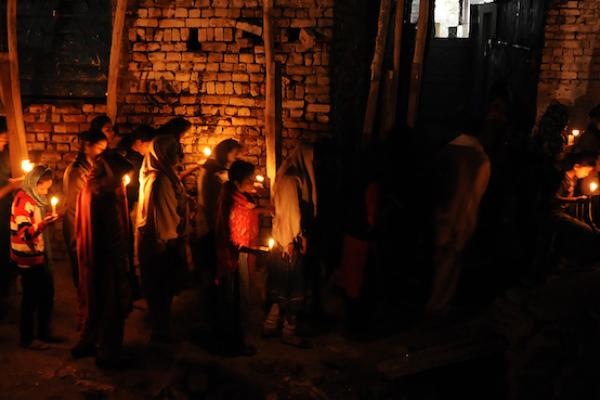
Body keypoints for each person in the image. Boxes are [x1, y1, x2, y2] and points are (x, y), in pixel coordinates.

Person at [72, 152, 134, 368]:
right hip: (106, 260)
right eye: (120, 175)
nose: (121, 180)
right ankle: (108, 355)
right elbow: (115, 236)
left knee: (93, 300)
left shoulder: (89, 188)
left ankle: (87, 342)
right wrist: (123, 268)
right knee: (112, 306)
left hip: (89, 256)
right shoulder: (106, 197)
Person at [426, 122, 491, 315]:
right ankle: (438, 305)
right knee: (449, 265)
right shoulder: (481, 159)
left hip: (441, 216)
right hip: (463, 219)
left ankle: (431, 303)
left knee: (436, 262)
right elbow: (479, 192)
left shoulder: (445, 154)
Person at [263, 143, 317, 347]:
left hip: (282, 241)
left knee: (280, 286)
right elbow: (291, 212)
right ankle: (288, 330)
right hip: (288, 243)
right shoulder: (291, 179)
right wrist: (294, 239)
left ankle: (270, 325)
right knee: (292, 287)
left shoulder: (287, 175)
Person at [136, 135, 188, 342]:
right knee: (161, 290)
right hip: (163, 245)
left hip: (157, 243)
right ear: (164, 154)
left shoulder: (157, 175)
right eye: (175, 151)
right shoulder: (161, 180)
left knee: (159, 290)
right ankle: (161, 333)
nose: (180, 155)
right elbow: (165, 216)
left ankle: (161, 329)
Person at [10, 166, 59, 350]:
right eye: (44, 188)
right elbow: (24, 234)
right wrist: (42, 224)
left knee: (45, 293)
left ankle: (43, 332)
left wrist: (48, 218)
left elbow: (34, 223)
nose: (45, 192)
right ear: (34, 184)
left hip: (37, 255)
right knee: (31, 298)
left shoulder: (33, 199)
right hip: (27, 258)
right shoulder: (23, 201)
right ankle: (27, 338)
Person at [214, 160, 259, 356]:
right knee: (237, 299)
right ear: (239, 181)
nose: (253, 183)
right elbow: (230, 232)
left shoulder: (238, 196)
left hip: (238, 253)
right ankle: (233, 344)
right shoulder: (233, 202)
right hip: (234, 257)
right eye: (250, 180)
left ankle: (234, 341)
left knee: (238, 299)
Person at [63, 130, 108, 289]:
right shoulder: (78, 171)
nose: (102, 154)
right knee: (82, 267)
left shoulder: (89, 167)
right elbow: (79, 202)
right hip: (77, 223)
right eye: (100, 149)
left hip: (85, 222)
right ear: (88, 147)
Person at [0, 119, 21, 302]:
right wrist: (11, 186)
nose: (3, 145)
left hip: (7, 212)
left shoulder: (5, 155)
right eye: (0, 141)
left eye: (5, 142)